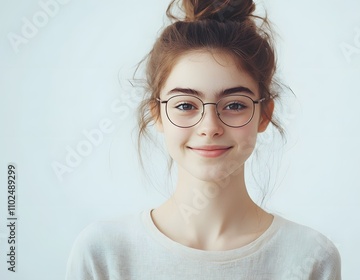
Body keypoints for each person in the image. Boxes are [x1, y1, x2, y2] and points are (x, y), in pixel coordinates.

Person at [65, 0, 341, 279]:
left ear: (264, 115)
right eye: (185, 105)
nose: (209, 127)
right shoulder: (103, 252)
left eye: (234, 105)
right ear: (157, 114)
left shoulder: (311, 256)